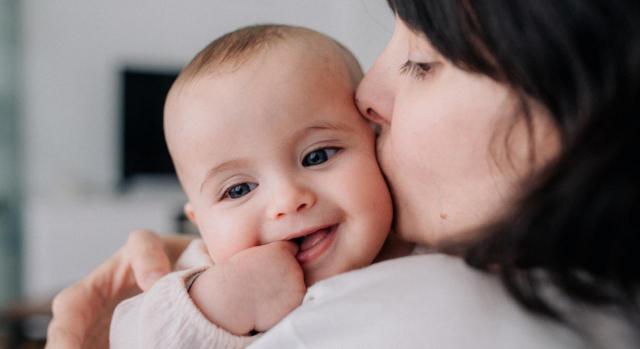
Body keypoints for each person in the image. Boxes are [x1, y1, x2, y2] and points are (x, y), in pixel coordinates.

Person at [46, 0, 640, 348]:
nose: (367, 95)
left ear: (576, 108)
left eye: (422, 62)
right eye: (238, 189)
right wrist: (199, 286)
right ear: (197, 216)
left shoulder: (447, 304)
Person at [108, 24, 400, 348]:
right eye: (238, 190)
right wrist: (220, 302)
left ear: (376, 140)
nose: (287, 200)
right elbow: (130, 337)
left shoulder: (416, 246)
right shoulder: (205, 272)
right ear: (200, 224)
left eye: (317, 156)